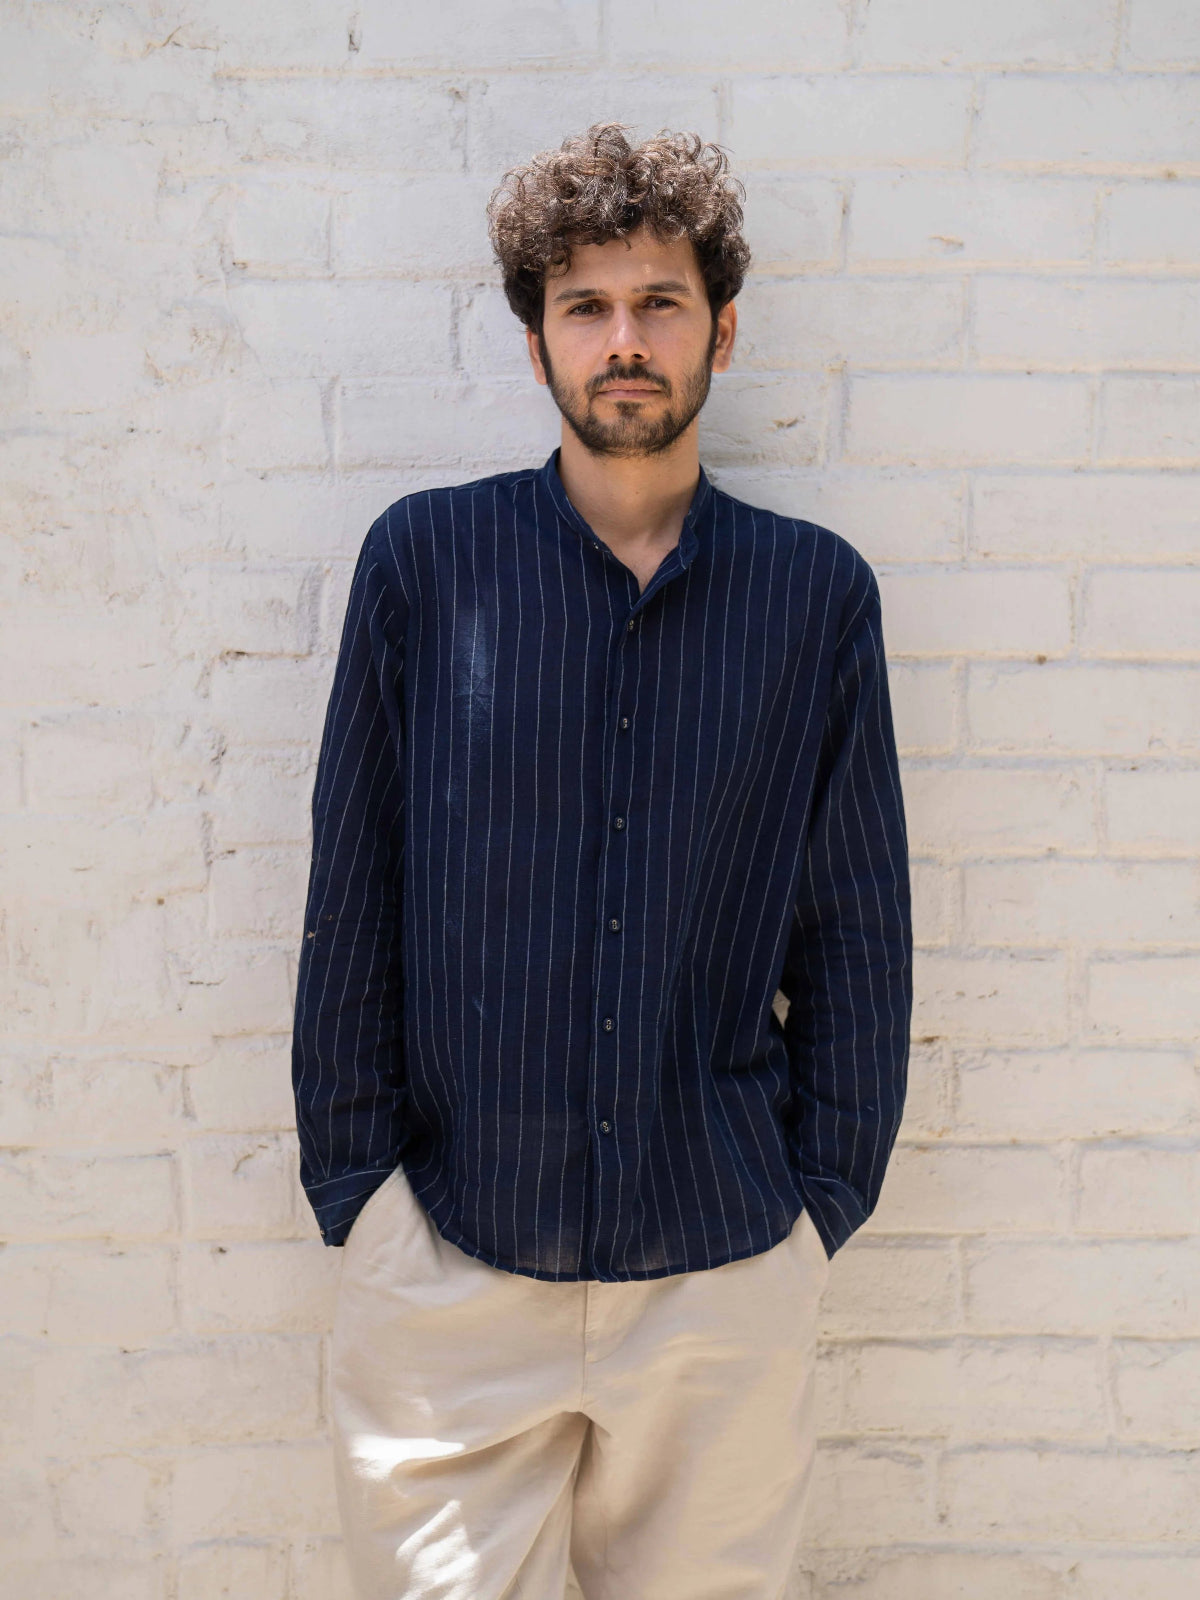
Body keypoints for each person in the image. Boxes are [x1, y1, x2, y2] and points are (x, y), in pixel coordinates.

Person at [291, 121, 912, 1600]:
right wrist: (365, 1196)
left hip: (721, 1268)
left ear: (721, 331)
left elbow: (856, 931)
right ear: (538, 344)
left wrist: (815, 1211)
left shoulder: (813, 598)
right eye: (585, 306)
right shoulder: (425, 565)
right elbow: (353, 892)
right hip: (451, 1265)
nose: (623, 341)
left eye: (659, 303)